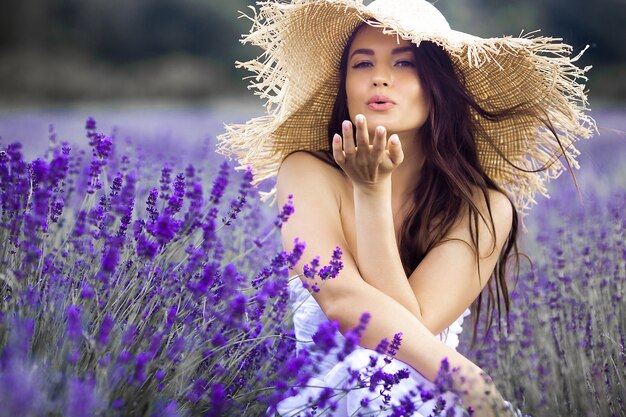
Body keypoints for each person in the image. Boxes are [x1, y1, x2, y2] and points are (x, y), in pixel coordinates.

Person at [218, 0, 594, 415]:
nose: (380, 77)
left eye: (404, 64)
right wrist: (469, 377)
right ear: (345, 85)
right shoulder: (307, 173)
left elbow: (410, 332)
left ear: (437, 84)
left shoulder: (481, 207)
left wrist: (372, 190)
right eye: (362, 65)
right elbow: (344, 305)